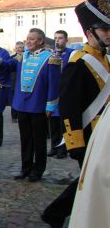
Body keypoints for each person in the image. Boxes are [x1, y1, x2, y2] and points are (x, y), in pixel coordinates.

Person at [41, 0, 110, 228]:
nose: (109, 33)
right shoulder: (78, 64)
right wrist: (75, 142)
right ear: (90, 32)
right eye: (104, 29)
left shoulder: (106, 59)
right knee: (90, 182)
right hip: (90, 135)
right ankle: (59, 214)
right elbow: (69, 107)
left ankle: (55, 213)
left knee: (91, 181)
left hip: (106, 135)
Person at [0, 28, 59, 182]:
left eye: (32, 39)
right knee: (25, 139)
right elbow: (6, 66)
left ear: (40, 41)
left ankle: (38, 170)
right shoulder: (22, 57)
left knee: (39, 141)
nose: (28, 41)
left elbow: (54, 85)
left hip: (39, 105)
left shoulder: (51, 58)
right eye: (27, 38)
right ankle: (26, 168)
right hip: (22, 105)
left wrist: (50, 106)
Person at [47, 30, 74, 159]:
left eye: (61, 38)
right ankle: (54, 146)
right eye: (56, 38)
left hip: (65, 93)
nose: (58, 40)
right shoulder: (50, 54)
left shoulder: (71, 54)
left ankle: (63, 149)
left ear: (66, 39)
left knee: (63, 123)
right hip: (53, 94)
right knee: (53, 123)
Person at [9, 41, 24, 123]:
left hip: (22, 82)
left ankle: (20, 115)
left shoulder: (26, 57)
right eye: (17, 48)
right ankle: (14, 116)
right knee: (14, 99)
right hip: (13, 81)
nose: (19, 49)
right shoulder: (12, 57)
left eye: (21, 47)